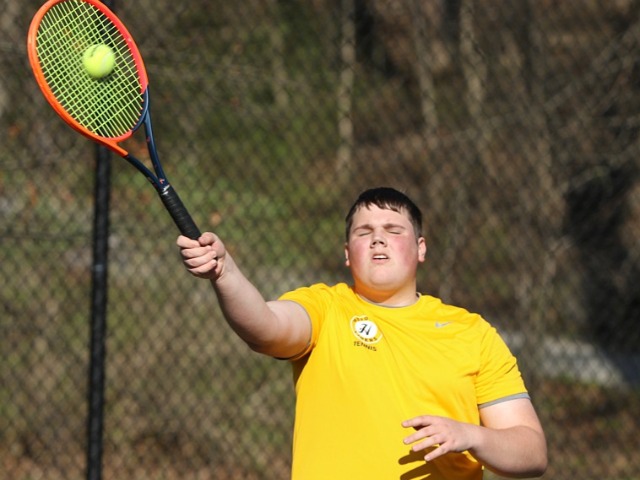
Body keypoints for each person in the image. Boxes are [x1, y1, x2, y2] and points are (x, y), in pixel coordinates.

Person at [177, 187, 547, 480]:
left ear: (420, 248)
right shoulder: (325, 308)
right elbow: (265, 327)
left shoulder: (472, 333)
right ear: (347, 253)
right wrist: (225, 274)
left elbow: (532, 452)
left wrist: (470, 435)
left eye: (393, 230)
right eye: (364, 232)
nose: (377, 239)